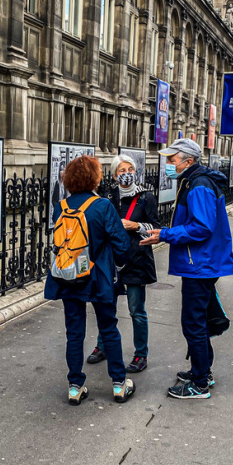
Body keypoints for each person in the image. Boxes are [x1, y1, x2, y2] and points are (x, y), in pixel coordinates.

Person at [140, 139, 233, 399]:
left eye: (172, 160)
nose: (168, 164)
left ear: (188, 161)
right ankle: (202, 371)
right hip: (202, 262)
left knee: (193, 323)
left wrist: (165, 234)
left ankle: (200, 382)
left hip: (201, 263)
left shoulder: (198, 185)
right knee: (198, 321)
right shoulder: (194, 181)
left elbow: (202, 227)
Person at [44, 155, 134, 405]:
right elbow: (122, 246)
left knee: (74, 332)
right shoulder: (103, 206)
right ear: (95, 178)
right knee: (108, 328)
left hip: (68, 275)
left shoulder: (60, 206)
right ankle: (118, 384)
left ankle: (75, 386)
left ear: (69, 179)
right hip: (98, 277)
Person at [87, 155, 160, 373]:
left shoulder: (146, 196)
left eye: (129, 168)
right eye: (121, 170)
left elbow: (156, 227)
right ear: (114, 174)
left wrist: (135, 225)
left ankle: (141, 354)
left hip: (136, 259)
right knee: (106, 305)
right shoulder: (107, 196)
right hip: (110, 260)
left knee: (136, 310)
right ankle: (103, 346)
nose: (126, 173)